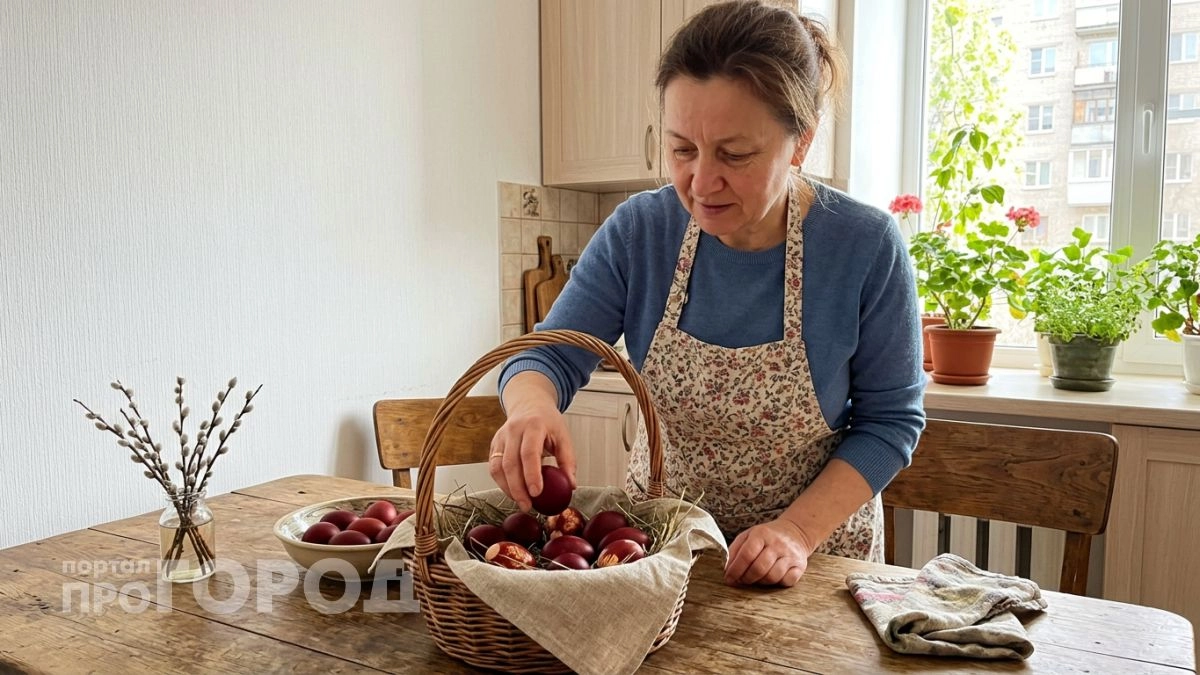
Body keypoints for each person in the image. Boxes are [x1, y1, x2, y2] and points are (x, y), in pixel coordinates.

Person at [489, 0, 925, 588]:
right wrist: (531, 407)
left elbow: (890, 424)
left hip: (810, 563)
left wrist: (795, 532)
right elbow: (546, 356)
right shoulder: (640, 231)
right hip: (656, 555)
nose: (701, 181)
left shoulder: (864, 246)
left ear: (800, 143)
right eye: (682, 149)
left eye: (735, 154)